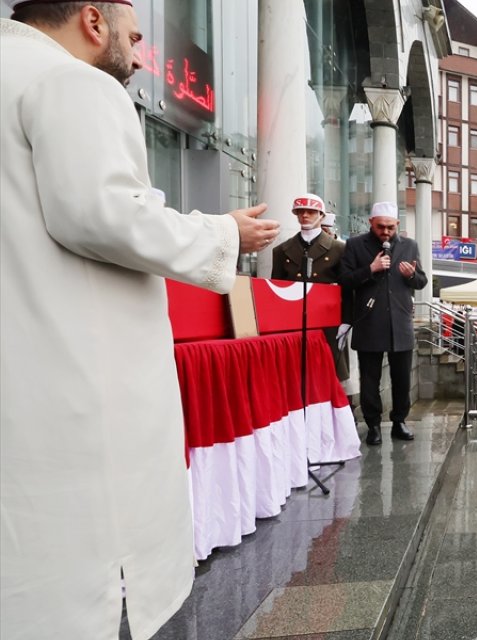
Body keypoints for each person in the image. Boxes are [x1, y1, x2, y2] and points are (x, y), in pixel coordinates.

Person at [0, 3, 280, 638]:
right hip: (69, 389)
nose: (138, 49)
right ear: (92, 22)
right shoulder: (70, 80)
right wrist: (222, 231)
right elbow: (102, 213)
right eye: (133, 34)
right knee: (80, 585)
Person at [338, 201, 426, 445]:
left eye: (390, 227)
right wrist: (370, 269)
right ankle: (373, 425)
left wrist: (411, 275)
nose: (385, 232)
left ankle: (399, 421)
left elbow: (421, 282)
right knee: (369, 379)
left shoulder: (409, 245)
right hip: (369, 321)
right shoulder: (355, 245)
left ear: (397, 224)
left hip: (400, 322)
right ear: (371, 223)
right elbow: (344, 281)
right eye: (380, 227)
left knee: (401, 379)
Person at [272, 194, 349, 381]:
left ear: (321, 216)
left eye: (311, 212)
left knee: (330, 373)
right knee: (296, 374)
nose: (305, 215)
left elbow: (347, 287)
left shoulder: (339, 249)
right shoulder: (282, 250)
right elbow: (277, 288)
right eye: (300, 212)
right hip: (294, 319)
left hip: (327, 320)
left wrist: (347, 320)